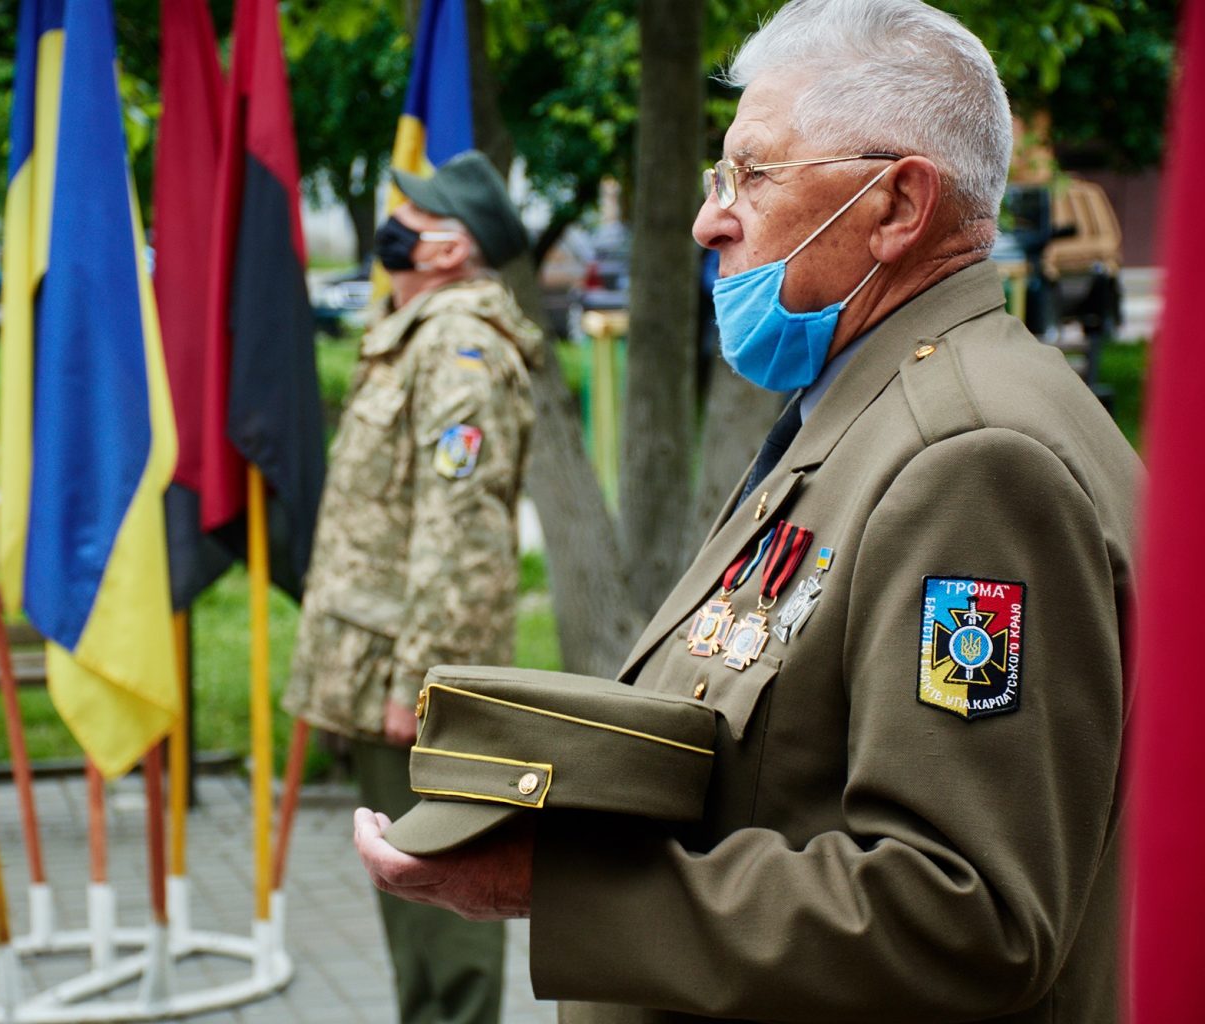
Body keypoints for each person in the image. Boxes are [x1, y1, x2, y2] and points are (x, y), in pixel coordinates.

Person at [352, 1, 1139, 1021]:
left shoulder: (973, 461)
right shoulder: (877, 404)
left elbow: (966, 914)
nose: (708, 216)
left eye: (752, 174)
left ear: (897, 204)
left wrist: (561, 888)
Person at [282, 149, 540, 1024]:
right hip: (386, 669)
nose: (394, 222)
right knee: (411, 904)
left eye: (414, 213)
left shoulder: (460, 349)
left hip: (417, 684)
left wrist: (426, 688)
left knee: (442, 907)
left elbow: (461, 536)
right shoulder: (420, 335)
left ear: (448, 249)